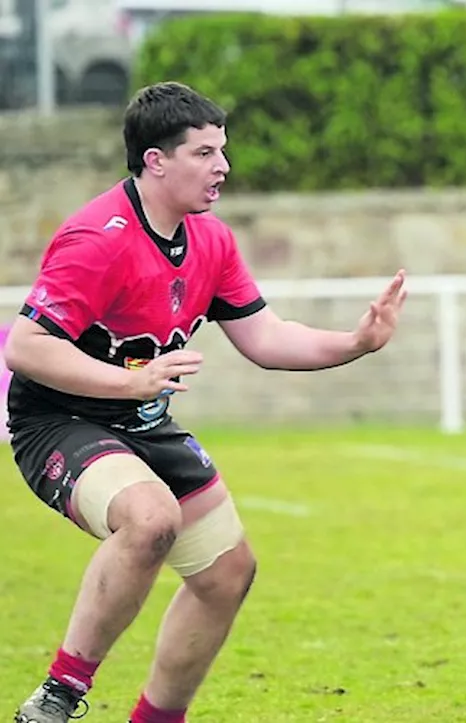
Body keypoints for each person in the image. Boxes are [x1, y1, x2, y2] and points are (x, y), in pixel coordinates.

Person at [6, 81, 407, 723]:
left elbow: (265, 337)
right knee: (150, 518)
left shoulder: (210, 240)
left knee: (227, 575)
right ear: (155, 161)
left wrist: (356, 341)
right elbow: (26, 346)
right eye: (204, 153)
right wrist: (129, 383)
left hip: (140, 421)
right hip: (59, 421)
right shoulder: (97, 238)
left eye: (223, 150)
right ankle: (58, 696)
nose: (223, 167)